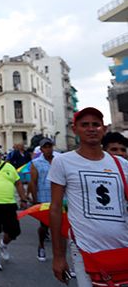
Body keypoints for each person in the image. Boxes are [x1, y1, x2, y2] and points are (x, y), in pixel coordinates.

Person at [49, 107, 128, 285]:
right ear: (74, 129)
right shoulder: (63, 162)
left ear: (104, 129)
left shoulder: (121, 164)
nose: (91, 129)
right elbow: (55, 209)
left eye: (96, 125)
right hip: (84, 249)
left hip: (122, 247)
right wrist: (58, 256)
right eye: (85, 125)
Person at [28, 138, 56, 262]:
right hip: (43, 197)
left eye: (50, 146)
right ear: (41, 149)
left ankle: (59, 253)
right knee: (44, 225)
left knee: (60, 226)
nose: (48, 149)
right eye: (45, 147)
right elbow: (33, 182)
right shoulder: (36, 163)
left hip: (59, 197)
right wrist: (35, 200)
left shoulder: (58, 161)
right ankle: (41, 245)